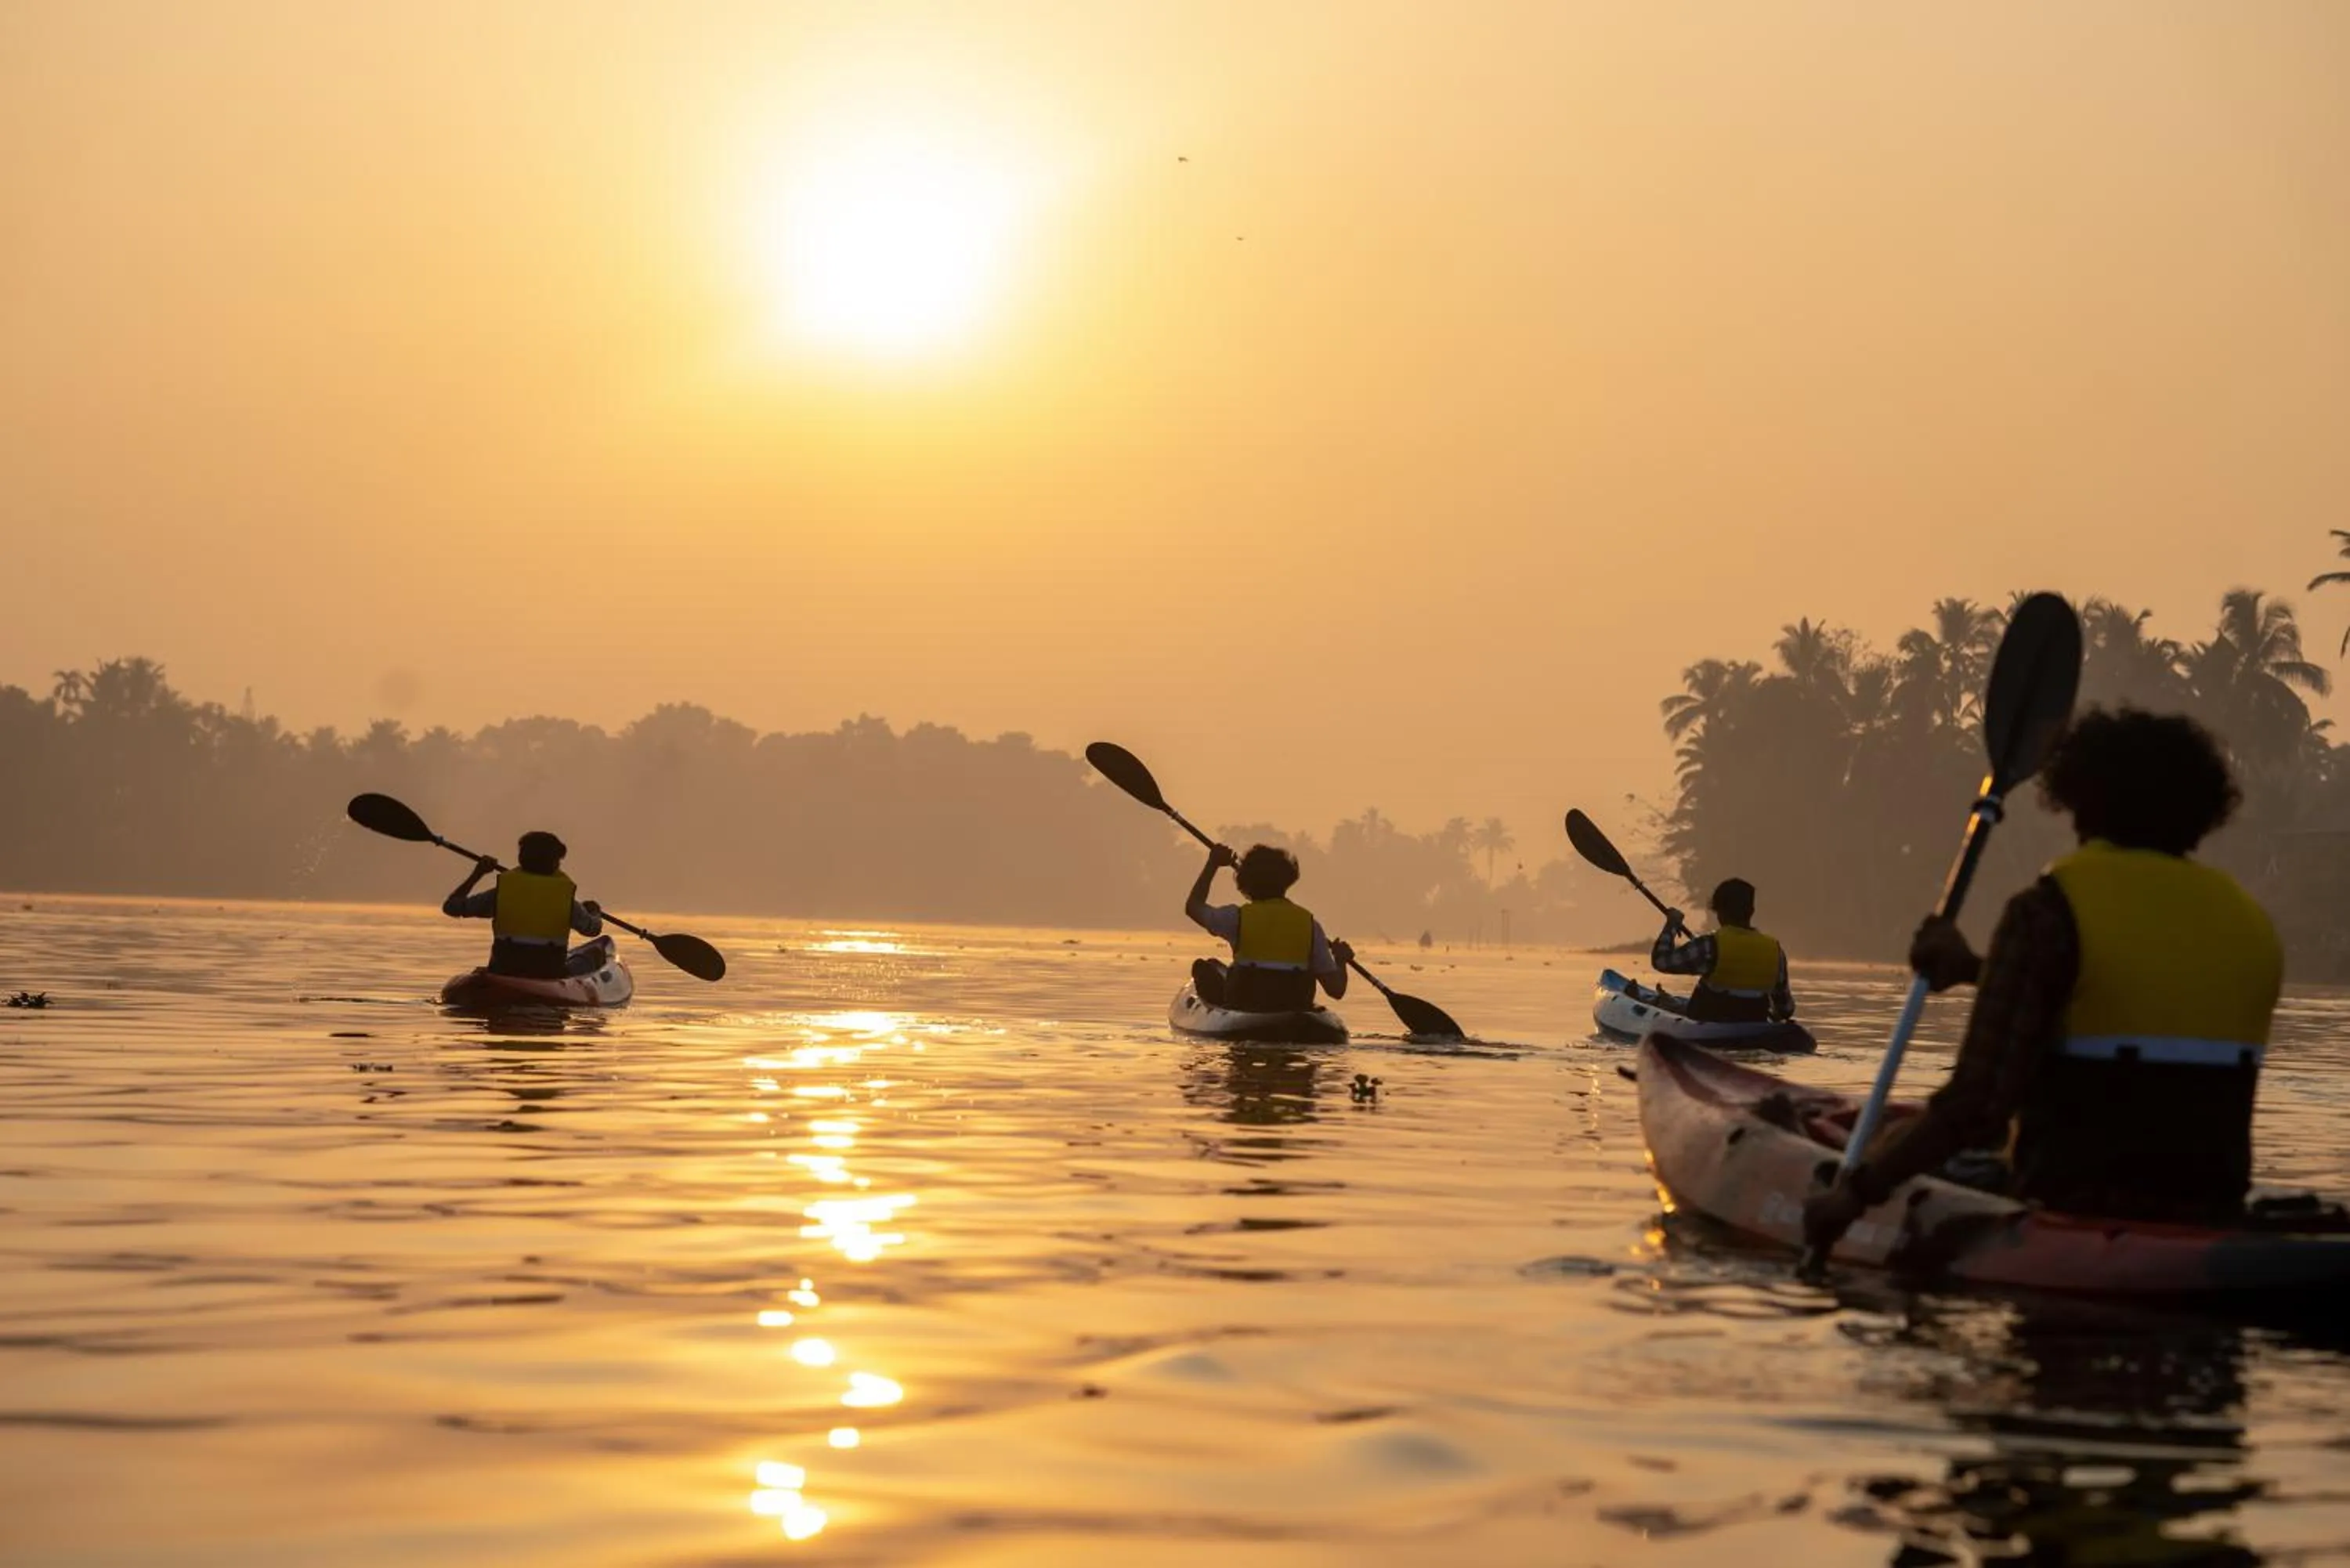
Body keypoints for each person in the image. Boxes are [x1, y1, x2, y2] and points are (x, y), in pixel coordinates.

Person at [1804, 708, 2281, 1254]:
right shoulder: (2250, 923)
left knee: (1922, 1147)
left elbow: (1977, 1106)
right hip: (2212, 1205)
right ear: (2202, 810)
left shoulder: (2046, 912)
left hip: (2073, 1203)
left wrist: (1854, 1194)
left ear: (2078, 799)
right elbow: (2120, 997)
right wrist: (1975, 970)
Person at [1184, 843, 1353, 1011]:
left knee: (1203, 968)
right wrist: (1340, 960)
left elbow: (1193, 907)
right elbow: (1336, 990)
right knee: (1214, 965)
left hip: (1245, 1004)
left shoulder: (1236, 918)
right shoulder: (1310, 925)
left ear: (1245, 884)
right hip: (1294, 1005)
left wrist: (1212, 864)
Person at [443, 830, 604, 979]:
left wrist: (478, 873)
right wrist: (594, 912)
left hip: (503, 970)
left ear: (521, 858)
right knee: (597, 953)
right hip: (549, 975)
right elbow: (592, 930)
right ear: (554, 863)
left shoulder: (502, 893)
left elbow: (452, 907)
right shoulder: (566, 901)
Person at [1653, 877, 1794, 1023]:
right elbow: (1786, 1010)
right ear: (1751, 911)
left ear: (1720, 912)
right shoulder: (1775, 952)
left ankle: (1664, 1002)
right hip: (1754, 1026)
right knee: (1676, 1003)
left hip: (1709, 1024)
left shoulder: (1709, 946)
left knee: (1671, 1004)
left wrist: (1672, 925)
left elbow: (1661, 961)